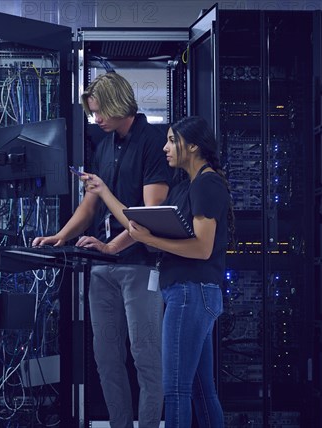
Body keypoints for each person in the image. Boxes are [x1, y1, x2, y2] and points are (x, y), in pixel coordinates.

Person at [32, 72, 171, 428]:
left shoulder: (153, 144)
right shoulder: (106, 143)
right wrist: (59, 237)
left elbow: (149, 219)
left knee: (146, 358)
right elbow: (90, 205)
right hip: (102, 268)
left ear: (118, 104)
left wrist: (111, 247)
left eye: (99, 112)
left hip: (140, 267)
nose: (95, 119)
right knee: (106, 358)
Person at [80, 115, 235, 428]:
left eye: (171, 141)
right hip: (188, 292)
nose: (165, 148)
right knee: (201, 390)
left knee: (175, 388)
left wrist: (150, 239)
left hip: (193, 292)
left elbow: (202, 249)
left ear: (192, 146)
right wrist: (106, 204)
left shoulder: (207, 185)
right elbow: (142, 228)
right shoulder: (183, 187)